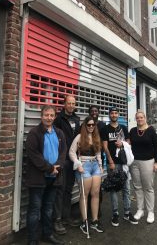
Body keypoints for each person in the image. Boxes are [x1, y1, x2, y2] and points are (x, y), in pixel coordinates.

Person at [25, 105, 66, 245]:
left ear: (55, 117)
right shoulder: (34, 133)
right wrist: (50, 168)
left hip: (54, 178)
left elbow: (63, 153)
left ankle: (47, 235)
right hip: (38, 178)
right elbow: (34, 155)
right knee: (35, 210)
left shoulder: (59, 133)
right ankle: (32, 239)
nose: (49, 118)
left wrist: (57, 168)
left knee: (48, 209)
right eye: (46, 115)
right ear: (41, 116)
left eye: (51, 115)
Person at [101, 106, 138, 227]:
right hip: (112, 162)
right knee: (113, 189)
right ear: (109, 115)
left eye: (116, 113)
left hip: (123, 162)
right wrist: (110, 160)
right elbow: (105, 146)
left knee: (126, 188)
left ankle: (127, 212)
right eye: (112, 113)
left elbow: (128, 143)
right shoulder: (105, 129)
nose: (114, 115)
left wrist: (122, 143)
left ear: (118, 115)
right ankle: (115, 213)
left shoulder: (123, 128)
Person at [69, 116, 104, 234]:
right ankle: (84, 222)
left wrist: (100, 165)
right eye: (88, 125)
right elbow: (72, 152)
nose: (91, 127)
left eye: (93, 125)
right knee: (84, 194)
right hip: (84, 166)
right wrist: (77, 164)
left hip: (95, 166)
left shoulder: (96, 137)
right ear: (85, 125)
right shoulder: (79, 137)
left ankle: (95, 221)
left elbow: (98, 152)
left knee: (95, 194)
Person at [53, 95, 80, 234]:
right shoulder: (58, 119)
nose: (71, 105)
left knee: (69, 188)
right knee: (60, 190)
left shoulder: (77, 119)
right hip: (62, 159)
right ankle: (57, 220)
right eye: (68, 103)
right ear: (64, 104)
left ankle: (66, 216)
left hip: (73, 159)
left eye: (73, 103)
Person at [129, 111, 157, 224]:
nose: (139, 119)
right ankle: (140, 210)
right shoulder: (132, 131)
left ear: (145, 118)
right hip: (134, 162)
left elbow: (156, 147)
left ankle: (150, 211)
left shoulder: (151, 131)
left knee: (148, 187)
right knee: (137, 187)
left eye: (141, 117)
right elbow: (128, 144)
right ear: (136, 119)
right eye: (137, 118)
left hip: (148, 162)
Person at [88, 105, 106, 218]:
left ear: (98, 113)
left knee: (97, 186)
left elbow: (105, 140)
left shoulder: (102, 125)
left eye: (96, 111)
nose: (94, 112)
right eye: (92, 111)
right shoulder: (86, 123)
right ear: (89, 113)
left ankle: (98, 209)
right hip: (87, 159)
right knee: (89, 186)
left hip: (99, 158)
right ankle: (89, 210)